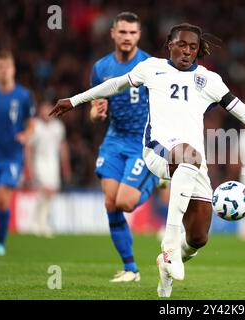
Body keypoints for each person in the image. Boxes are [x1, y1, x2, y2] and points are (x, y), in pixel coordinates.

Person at [50, 23, 245, 297]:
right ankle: (169, 247)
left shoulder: (209, 80)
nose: (186, 51)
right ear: (169, 44)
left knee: (198, 238)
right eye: (181, 45)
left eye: (193, 47)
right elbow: (116, 85)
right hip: (156, 151)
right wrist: (75, 100)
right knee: (187, 154)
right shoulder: (152, 68)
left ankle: (166, 269)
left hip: (193, 163)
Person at [88, 12, 159, 282]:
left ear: (139, 35)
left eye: (132, 33)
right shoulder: (101, 69)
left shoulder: (152, 65)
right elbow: (93, 112)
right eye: (122, 32)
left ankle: (155, 179)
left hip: (141, 143)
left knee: (126, 202)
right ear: (113, 34)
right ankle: (131, 269)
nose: (127, 37)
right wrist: (97, 113)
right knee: (110, 203)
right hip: (114, 141)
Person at [0, 50, 35, 256]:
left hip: (12, 156)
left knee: (3, 201)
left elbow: (31, 126)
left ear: (13, 70)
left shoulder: (23, 96)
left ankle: (0, 243)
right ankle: (4, 218)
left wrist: (25, 135)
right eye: (0, 67)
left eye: (7, 67)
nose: (3, 71)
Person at [25, 101, 71, 237]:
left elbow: (63, 146)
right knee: (46, 190)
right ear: (40, 111)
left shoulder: (58, 127)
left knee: (49, 194)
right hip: (39, 162)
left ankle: (41, 222)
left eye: (47, 110)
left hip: (53, 163)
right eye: (43, 110)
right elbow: (28, 148)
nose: (45, 113)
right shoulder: (35, 126)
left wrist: (65, 165)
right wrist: (28, 167)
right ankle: (39, 223)